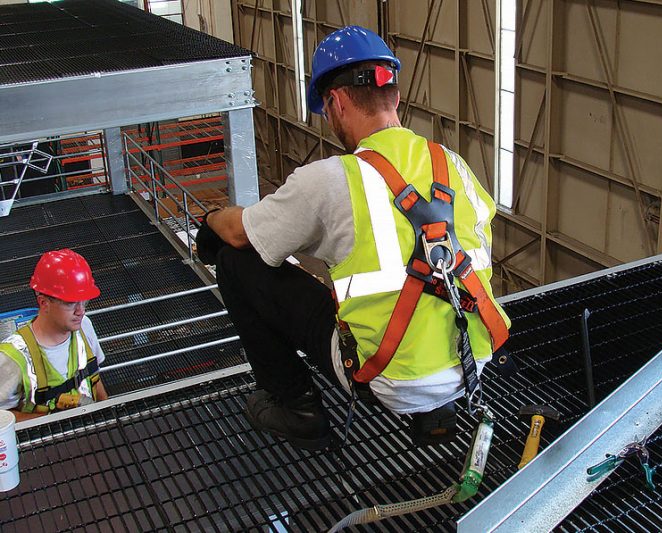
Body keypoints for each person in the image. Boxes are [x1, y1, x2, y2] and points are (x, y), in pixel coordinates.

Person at [197, 26, 510, 450]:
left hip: (389, 378)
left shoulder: (330, 179)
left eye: (326, 111)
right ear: (395, 97)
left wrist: (211, 218)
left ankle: (298, 408)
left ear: (337, 102)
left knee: (237, 262)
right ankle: (438, 404)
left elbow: (240, 232)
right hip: (474, 360)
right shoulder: (454, 164)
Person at [0, 249, 108, 422]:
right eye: (70, 303)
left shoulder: (84, 327)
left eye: (84, 301)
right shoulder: (12, 358)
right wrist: (48, 420)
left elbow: (94, 376)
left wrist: (108, 415)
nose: (81, 311)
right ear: (44, 302)